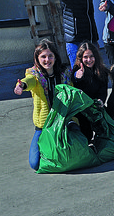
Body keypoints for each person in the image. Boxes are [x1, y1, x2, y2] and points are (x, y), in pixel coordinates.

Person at [13, 39, 72, 170]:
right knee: (35, 164)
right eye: (43, 56)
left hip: (64, 122)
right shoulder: (34, 75)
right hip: (43, 125)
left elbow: (72, 93)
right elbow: (29, 81)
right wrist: (21, 85)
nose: (47, 60)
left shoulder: (65, 74)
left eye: (50, 56)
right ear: (37, 58)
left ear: (55, 57)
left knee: (73, 152)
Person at [48, 0, 98, 66]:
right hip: (75, 40)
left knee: (94, 70)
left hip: (90, 38)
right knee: (78, 71)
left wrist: (95, 38)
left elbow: (90, 15)